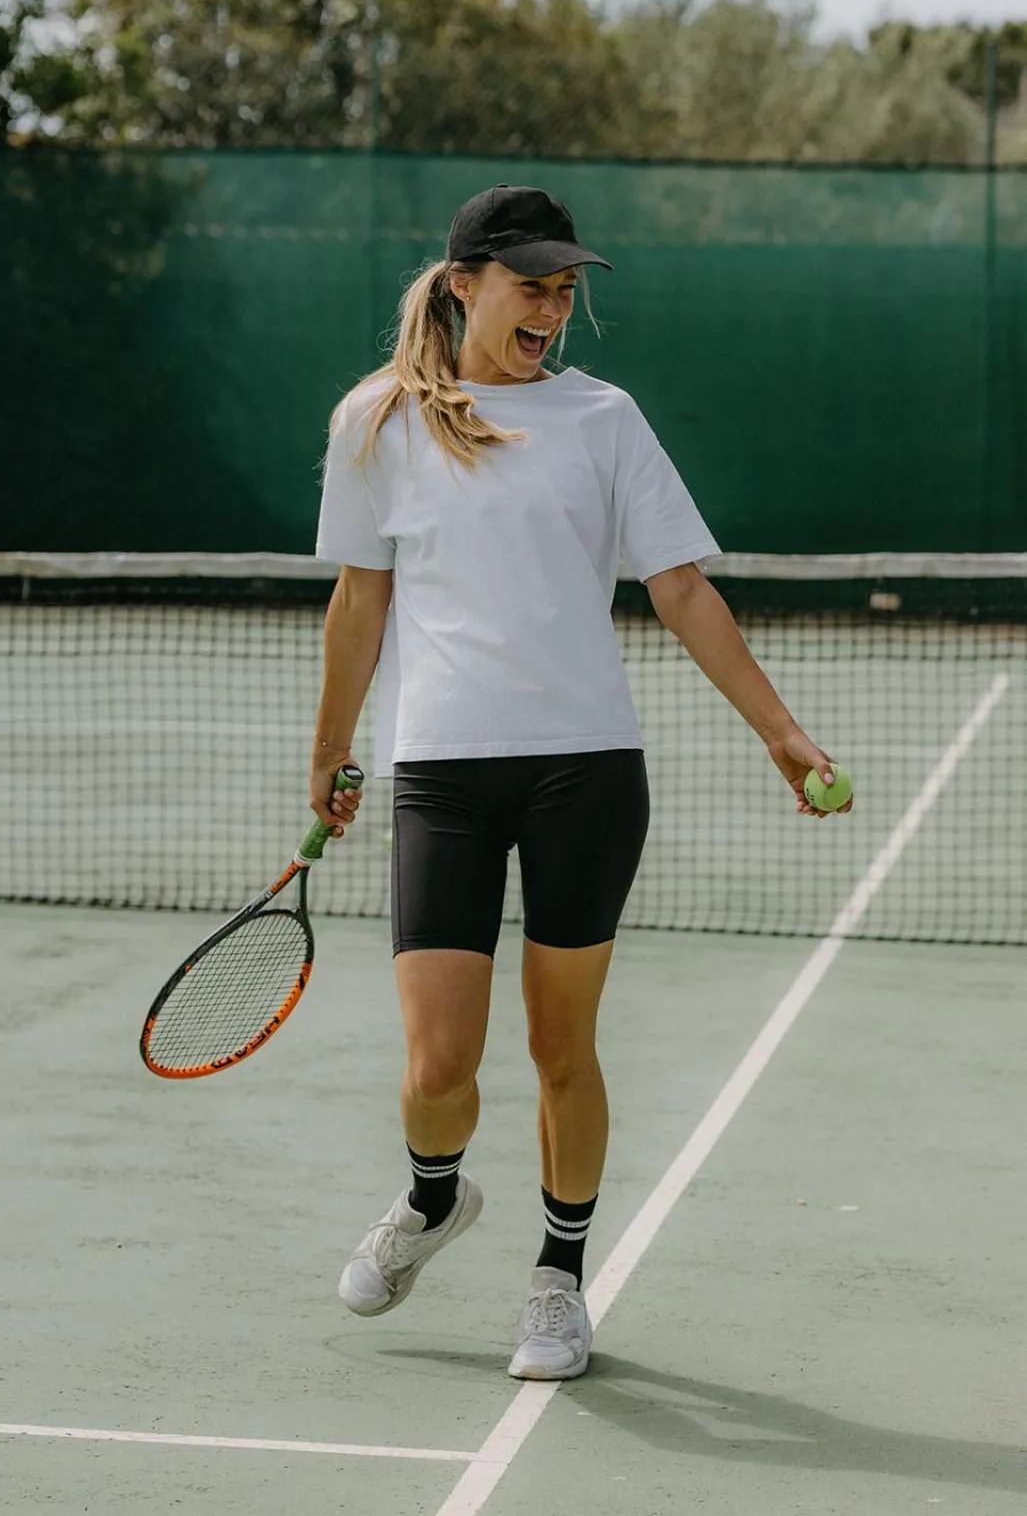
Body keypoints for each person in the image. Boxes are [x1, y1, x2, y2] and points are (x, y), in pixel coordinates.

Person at [310, 183, 850, 1382]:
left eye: (565, 288)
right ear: (463, 283)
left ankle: (557, 1279)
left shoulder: (605, 419)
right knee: (436, 1066)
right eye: (529, 283)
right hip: (443, 773)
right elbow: (360, 599)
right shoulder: (375, 422)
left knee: (563, 1044)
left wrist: (780, 730)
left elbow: (680, 587)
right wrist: (330, 748)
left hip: (584, 770)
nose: (551, 305)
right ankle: (433, 1196)